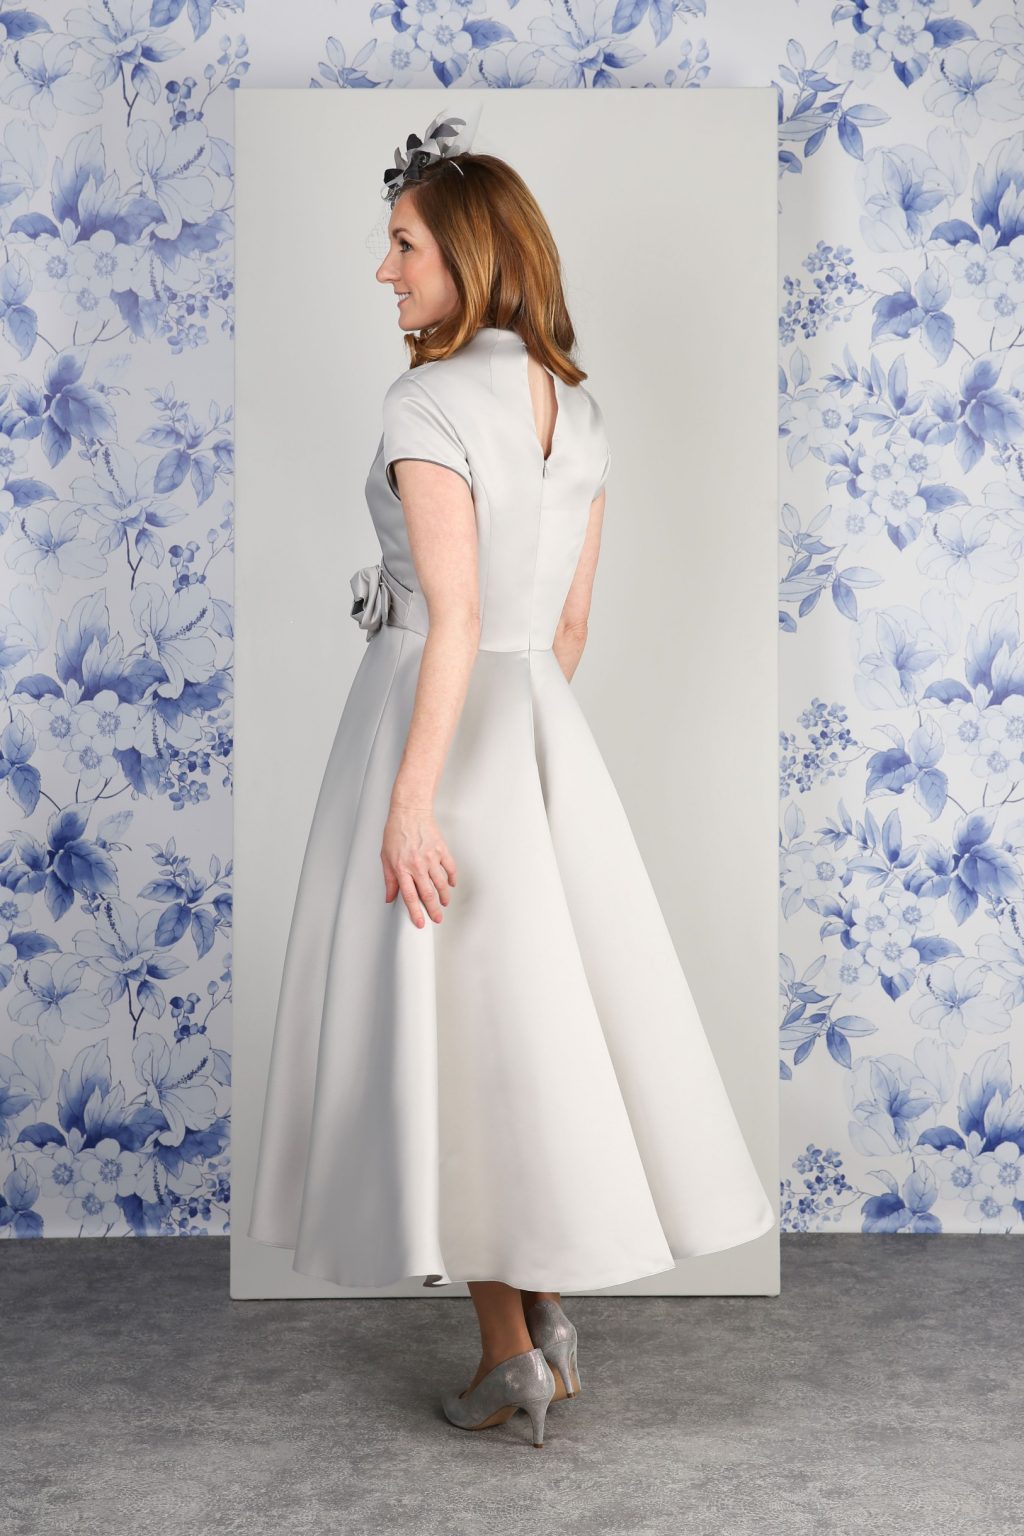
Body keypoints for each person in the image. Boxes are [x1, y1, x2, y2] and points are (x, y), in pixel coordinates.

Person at [247, 112, 775, 1450]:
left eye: (404, 245)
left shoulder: (424, 403)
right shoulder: (575, 409)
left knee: (458, 1054)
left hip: (430, 737)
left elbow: (456, 616)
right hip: (537, 744)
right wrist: (526, 761)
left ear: (468, 254)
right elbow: (568, 626)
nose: (384, 270)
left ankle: (506, 1358)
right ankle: (541, 1318)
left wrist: (413, 795)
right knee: (522, 1036)